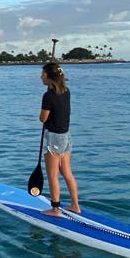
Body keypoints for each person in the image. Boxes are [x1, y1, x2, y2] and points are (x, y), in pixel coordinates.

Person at [39, 62, 80, 217]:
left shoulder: (48, 96)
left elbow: (43, 118)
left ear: (50, 77)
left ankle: (55, 209)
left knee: (52, 174)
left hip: (54, 138)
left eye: (43, 74)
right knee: (67, 173)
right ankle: (75, 205)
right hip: (66, 136)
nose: (41, 76)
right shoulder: (66, 91)